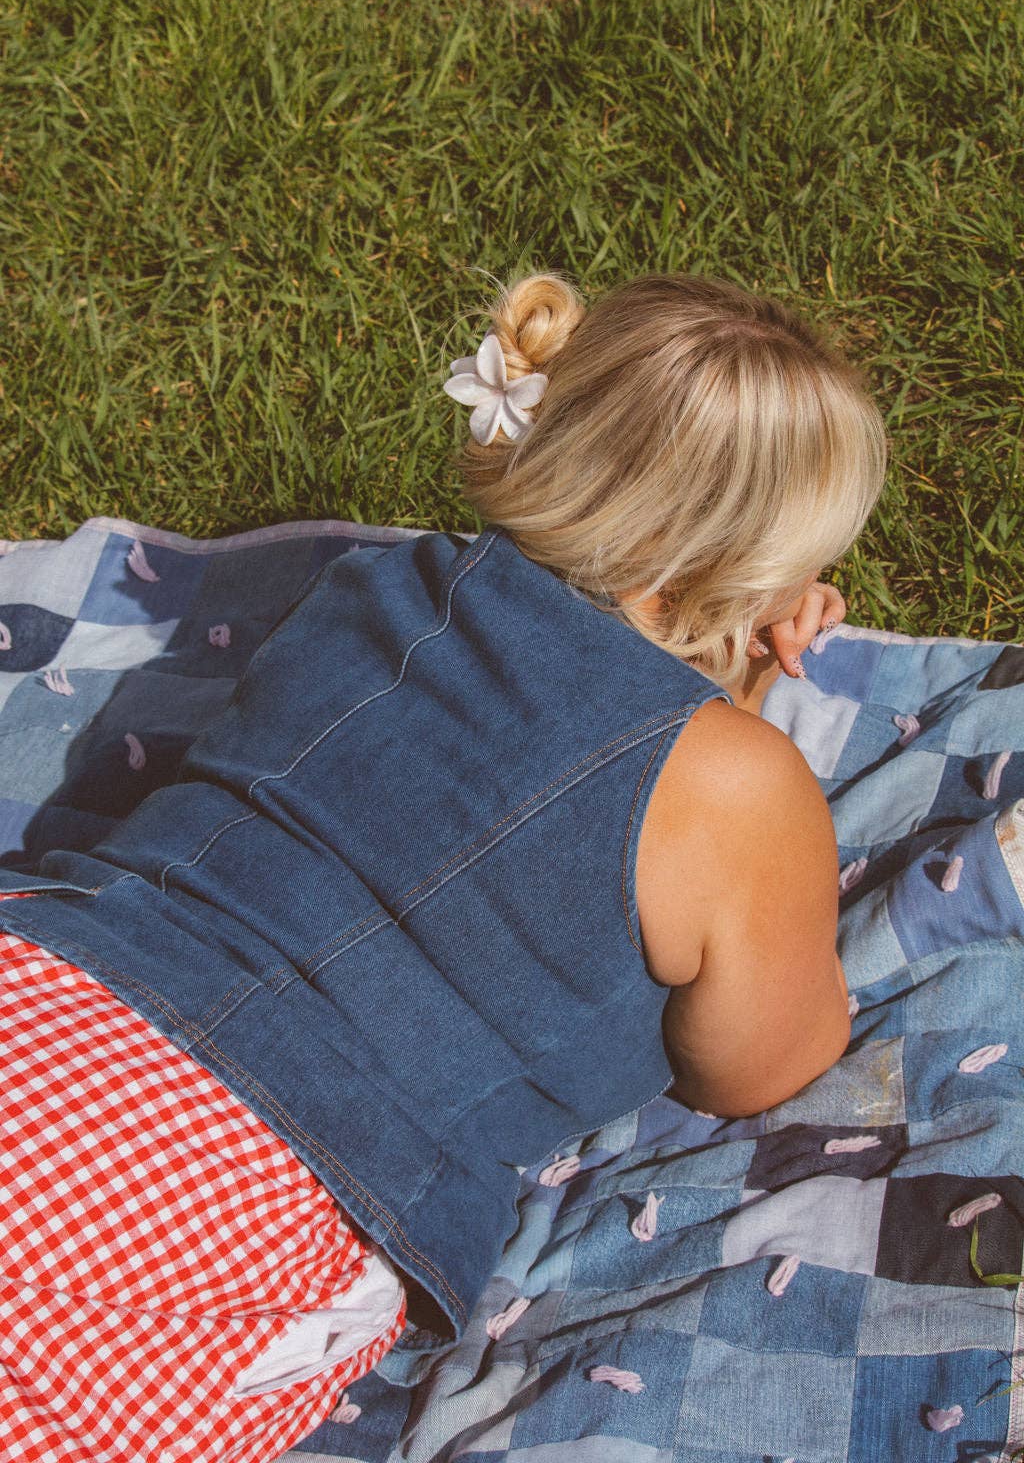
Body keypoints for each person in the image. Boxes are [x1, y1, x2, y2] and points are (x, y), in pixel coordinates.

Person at [0, 270, 890, 1460]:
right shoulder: (737, 786)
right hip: (231, 1174)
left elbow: (534, 727)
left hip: (54, 989)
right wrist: (750, 715)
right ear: (758, 576)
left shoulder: (372, 588)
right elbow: (759, 1063)